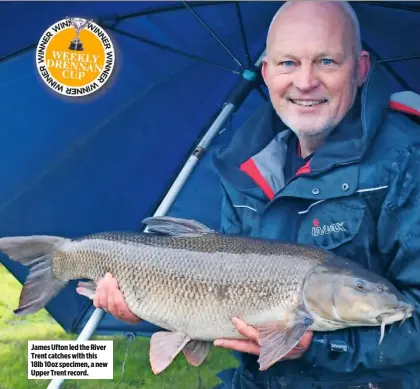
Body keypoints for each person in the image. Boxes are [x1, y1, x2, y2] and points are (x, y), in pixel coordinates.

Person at [79, 1, 420, 388]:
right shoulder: (243, 166)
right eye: (288, 63)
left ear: (360, 69)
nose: (305, 82)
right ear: (266, 72)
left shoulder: (408, 161)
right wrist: (151, 302)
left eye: (326, 61)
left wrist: (316, 347)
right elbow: (221, 297)